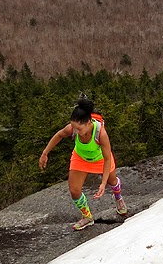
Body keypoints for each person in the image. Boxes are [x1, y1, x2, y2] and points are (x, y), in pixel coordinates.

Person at [39, 98, 127, 230]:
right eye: (74, 127)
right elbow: (59, 135)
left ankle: (118, 198)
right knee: (74, 191)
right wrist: (45, 153)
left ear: (88, 123)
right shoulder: (73, 128)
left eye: (79, 129)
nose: (75, 131)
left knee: (112, 181)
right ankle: (87, 217)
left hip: (101, 159)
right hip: (80, 158)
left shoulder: (100, 133)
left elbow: (107, 159)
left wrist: (103, 183)